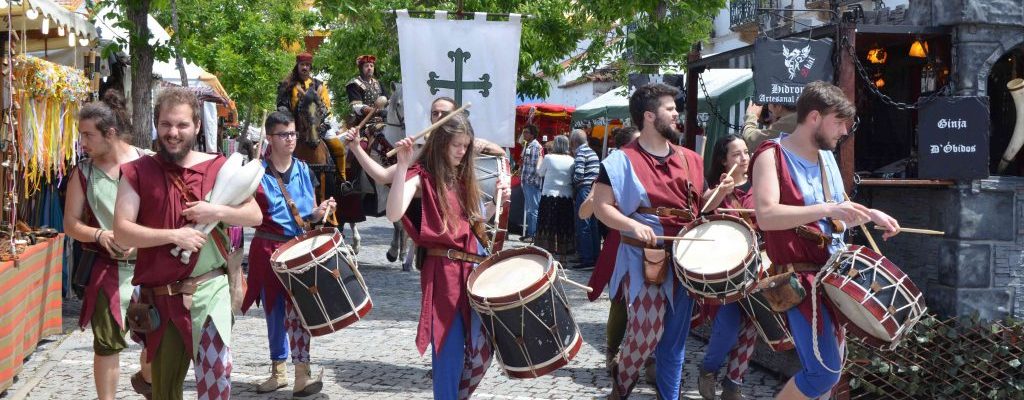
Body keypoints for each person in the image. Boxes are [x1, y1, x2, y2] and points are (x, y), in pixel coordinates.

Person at [750, 81, 900, 399]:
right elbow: (766, 215)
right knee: (823, 372)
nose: (845, 130)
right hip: (798, 280)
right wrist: (831, 208)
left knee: (832, 370)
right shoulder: (770, 155)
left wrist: (871, 214)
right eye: (839, 121)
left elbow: (839, 209)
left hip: (833, 276)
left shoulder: (827, 159)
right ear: (815, 117)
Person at [113, 87, 263, 399]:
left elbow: (255, 215)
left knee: (216, 380)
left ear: (196, 126)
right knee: (165, 391)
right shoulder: (138, 171)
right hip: (160, 298)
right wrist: (173, 235)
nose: (173, 132)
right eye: (166, 124)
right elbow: (123, 231)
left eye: (182, 125)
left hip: (209, 292)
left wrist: (217, 211)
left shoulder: (218, 167)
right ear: (157, 123)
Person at [592, 83, 704, 399]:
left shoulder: (690, 159)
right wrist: (630, 224)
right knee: (645, 332)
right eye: (670, 109)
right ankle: (622, 385)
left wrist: (719, 192)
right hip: (645, 259)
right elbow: (602, 207)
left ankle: (669, 396)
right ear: (650, 116)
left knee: (675, 340)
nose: (677, 114)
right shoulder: (620, 160)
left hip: (685, 257)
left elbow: (699, 203)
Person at [385, 111, 506, 399]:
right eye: (457, 146)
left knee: (484, 346)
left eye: (466, 146)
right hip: (444, 273)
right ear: (441, 144)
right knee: (448, 350)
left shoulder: (462, 177)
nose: (463, 152)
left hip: (472, 268)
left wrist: (496, 204)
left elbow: (471, 223)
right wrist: (402, 167)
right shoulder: (421, 177)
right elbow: (393, 212)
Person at [64, 90, 153, 400]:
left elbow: (165, 211)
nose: (82, 142)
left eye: (88, 135)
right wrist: (100, 235)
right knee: (106, 344)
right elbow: (71, 224)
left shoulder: (147, 162)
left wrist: (141, 240)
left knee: (156, 342)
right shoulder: (83, 173)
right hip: (107, 270)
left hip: (149, 268)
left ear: (110, 133)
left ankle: (146, 379)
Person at [241, 111, 336, 397]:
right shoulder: (256, 173)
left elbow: (308, 214)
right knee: (273, 310)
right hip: (268, 248)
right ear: (270, 138)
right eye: (284, 134)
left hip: (298, 248)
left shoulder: (304, 169)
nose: (291, 139)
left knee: (302, 310)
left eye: (293, 133)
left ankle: (301, 374)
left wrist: (319, 213)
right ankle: (278, 371)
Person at [695, 134, 760, 400]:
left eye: (746, 152)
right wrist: (722, 190)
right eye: (737, 154)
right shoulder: (719, 187)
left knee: (753, 326)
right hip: (726, 271)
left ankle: (734, 384)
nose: (744, 158)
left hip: (758, 268)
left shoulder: (761, 186)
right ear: (723, 160)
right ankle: (708, 370)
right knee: (728, 326)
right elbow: (702, 210)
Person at [582, 126, 639, 374]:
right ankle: (613, 350)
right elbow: (585, 212)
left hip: (650, 241)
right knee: (620, 298)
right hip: (620, 243)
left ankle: (648, 357)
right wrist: (599, 197)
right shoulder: (613, 171)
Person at [276, 52, 332, 151]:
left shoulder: (319, 85)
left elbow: (326, 106)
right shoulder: (286, 85)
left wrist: (320, 124)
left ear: (310, 67)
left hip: (317, 127)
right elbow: (281, 106)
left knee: (338, 147)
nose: (304, 67)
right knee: (272, 146)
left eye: (307, 65)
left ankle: (339, 167)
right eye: (302, 64)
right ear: (297, 66)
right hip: (292, 127)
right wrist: (289, 123)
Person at [535, 135, 576, 257]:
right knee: (563, 226)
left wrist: (539, 160)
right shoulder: (572, 160)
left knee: (548, 225)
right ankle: (563, 254)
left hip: (549, 196)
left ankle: (547, 253)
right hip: (566, 196)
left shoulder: (548, 158)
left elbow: (540, 172)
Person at [570, 129, 600, 270]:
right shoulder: (592, 151)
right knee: (592, 225)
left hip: (584, 190)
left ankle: (586, 258)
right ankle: (595, 257)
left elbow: (578, 176)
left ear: (574, 141)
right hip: (594, 190)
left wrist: (571, 184)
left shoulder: (581, 153)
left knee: (583, 224)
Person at [519, 125, 543, 242]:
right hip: (528, 182)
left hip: (531, 183)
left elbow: (535, 167)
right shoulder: (528, 145)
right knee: (530, 210)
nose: (524, 134)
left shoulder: (535, 146)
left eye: (526, 132)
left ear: (532, 134)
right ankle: (530, 234)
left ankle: (533, 235)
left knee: (533, 210)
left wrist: (529, 181)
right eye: (524, 132)